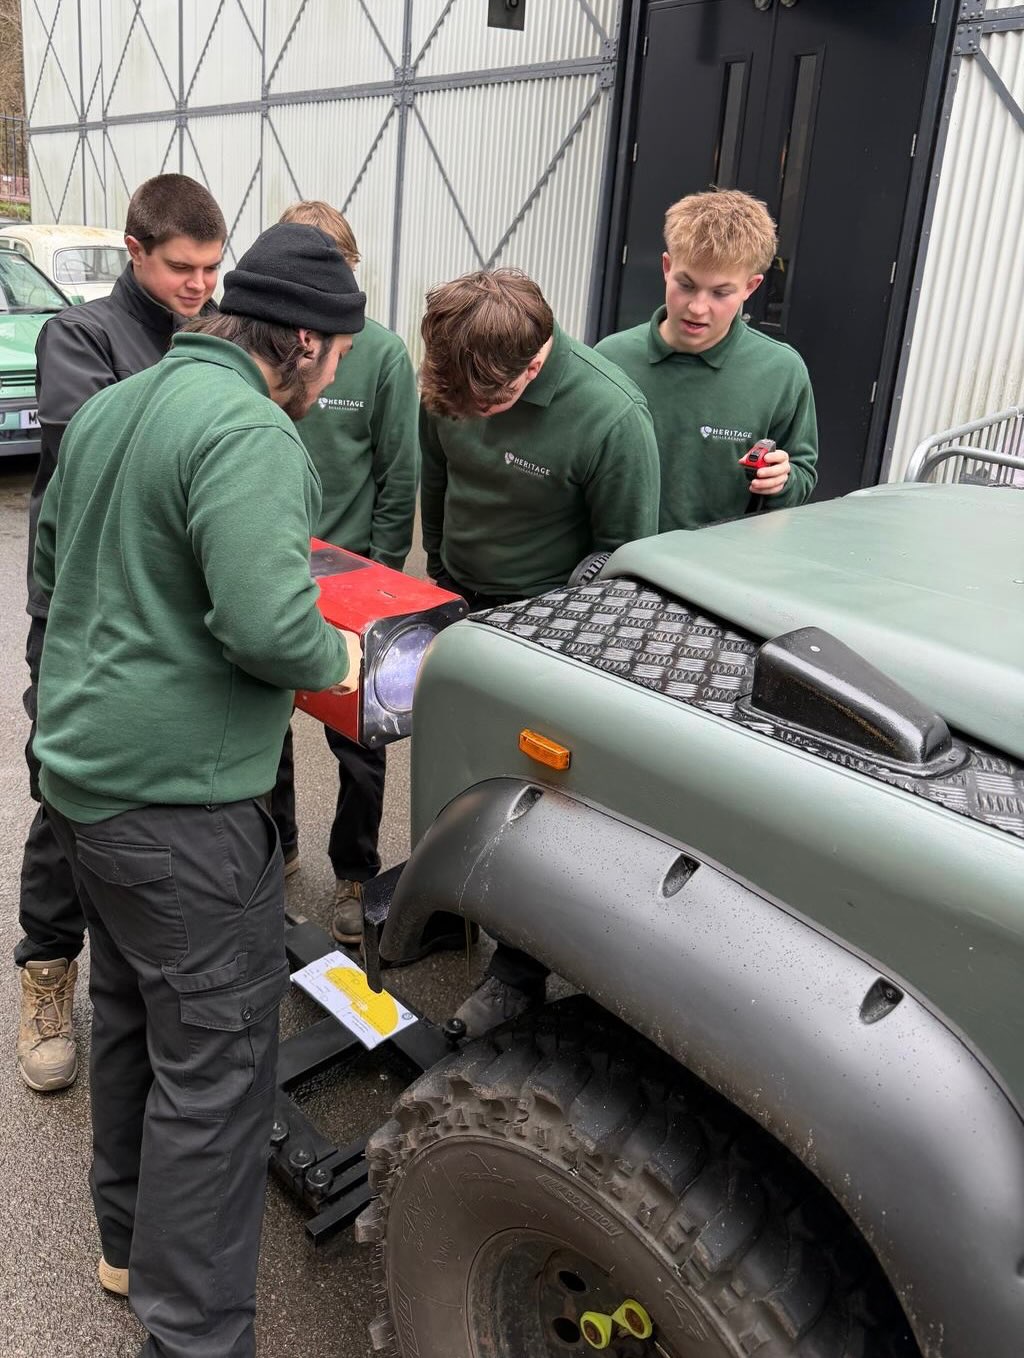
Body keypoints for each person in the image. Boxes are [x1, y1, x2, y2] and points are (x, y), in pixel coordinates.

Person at [31, 221, 365, 1356]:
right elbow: (270, 624)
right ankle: (193, 1337)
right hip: (184, 817)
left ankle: (123, 1244)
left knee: (129, 1021)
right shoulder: (251, 430)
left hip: (85, 793)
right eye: (340, 361)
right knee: (215, 1084)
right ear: (308, 346)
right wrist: (341, 660)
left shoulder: (118, 404)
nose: (335, 381)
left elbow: (51, 570)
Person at [15, 174, 226, 1092]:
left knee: (159, 801)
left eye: (215, 269)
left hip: (177, 613)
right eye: (183, 267)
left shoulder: (211, 334)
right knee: (69, 792)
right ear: (135, 250)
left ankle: (144, 968)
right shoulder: (81, 337)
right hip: (84, 614)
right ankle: (47, 969)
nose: (201, 286)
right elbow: (95, 450)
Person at [418, 268, 661, 1036]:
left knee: (535, 804)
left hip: (553, 627)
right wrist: (438, 577)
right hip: (462, 603)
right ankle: (442, 903)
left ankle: (518, 972)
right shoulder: (455, 382)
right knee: (453, 767)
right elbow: (437, 472)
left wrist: (559, 637)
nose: (475, 420)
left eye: (491, 406)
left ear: (534, 364)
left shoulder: (611, 417)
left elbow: (627, 557)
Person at [269, 201, 418, 948]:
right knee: (268, 727)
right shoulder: (273, 352)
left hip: (354, 584)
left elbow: (400, 475)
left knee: (360, 745)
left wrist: (382, 584)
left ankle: (356, 873)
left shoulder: (382, 355)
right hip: (275, 564)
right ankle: (279, 846)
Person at [596, 188, 818, 530]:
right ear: (667, 267)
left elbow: (802, 474)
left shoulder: (781, 373)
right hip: (616, 563)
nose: (698, 307)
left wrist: (782, 480)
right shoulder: (611, 359)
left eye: (720, 293)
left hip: (715, 568)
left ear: (751, 287)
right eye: (686, 285)